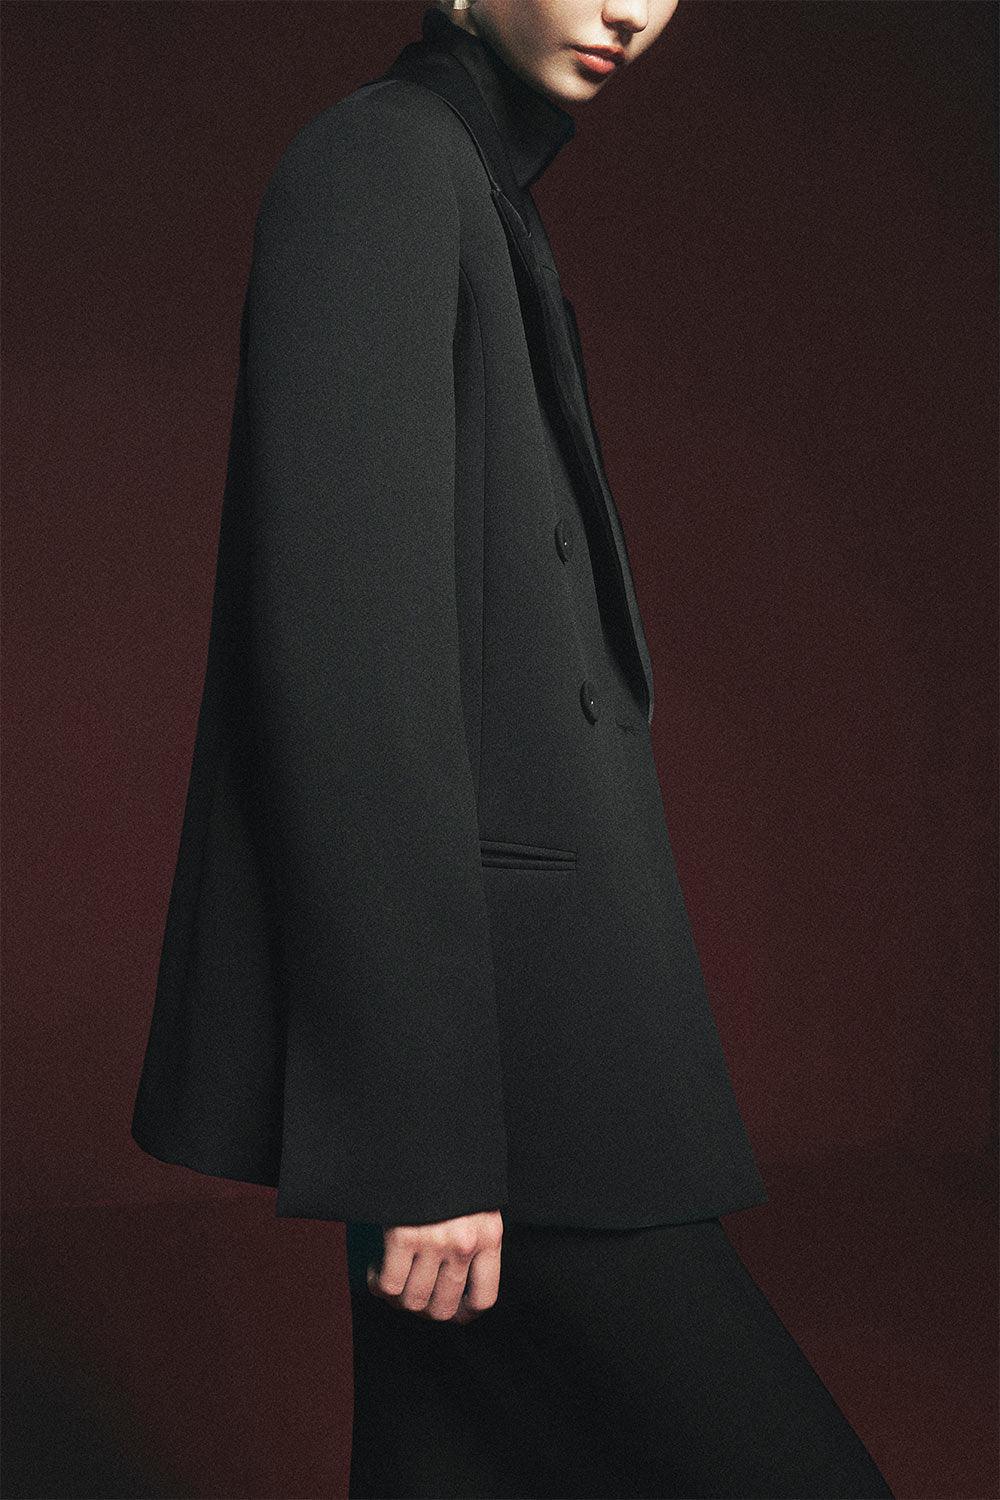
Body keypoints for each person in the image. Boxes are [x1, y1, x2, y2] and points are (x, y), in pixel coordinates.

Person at [130, 1, 897, 1495]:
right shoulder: (382, 168)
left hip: (505, 1049)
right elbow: (352, 676)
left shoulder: (468, 182)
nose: (632, 10)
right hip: (500, 1070)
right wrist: (419, 1141)